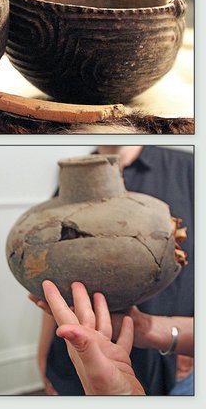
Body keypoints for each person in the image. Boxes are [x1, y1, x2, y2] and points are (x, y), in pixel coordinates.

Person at [37, 146, 194, 396]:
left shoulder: (188, 168)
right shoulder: (76, 177)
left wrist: (186, 340)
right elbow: (53, 275)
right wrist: (43, 350)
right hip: (78, 358)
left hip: (168, 358)